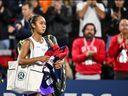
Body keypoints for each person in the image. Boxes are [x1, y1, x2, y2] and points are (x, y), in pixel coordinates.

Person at [18, 15, 64, 96]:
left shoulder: (49, 41)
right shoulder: (28, 42)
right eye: (41, 23)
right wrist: (39, 58)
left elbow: (54, 58)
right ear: (33, 25)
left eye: (45, 24)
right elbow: (20, 61)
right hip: (32, 78)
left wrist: (58, 63)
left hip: (46, 78)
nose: (44, 26)